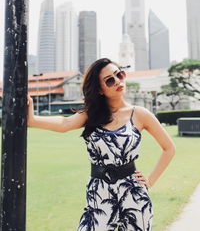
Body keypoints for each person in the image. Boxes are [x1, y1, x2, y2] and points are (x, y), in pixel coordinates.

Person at [27, 58, 176, 231]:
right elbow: (64, 124)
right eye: (110, 80)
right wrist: (32, 119)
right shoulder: (91, 115)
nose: (118, 81)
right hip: (99, 193)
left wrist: (150, 180)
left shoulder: (140, 114)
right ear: (99, 89)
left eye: (119, 74)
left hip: (134, 195)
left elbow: (169, 148)